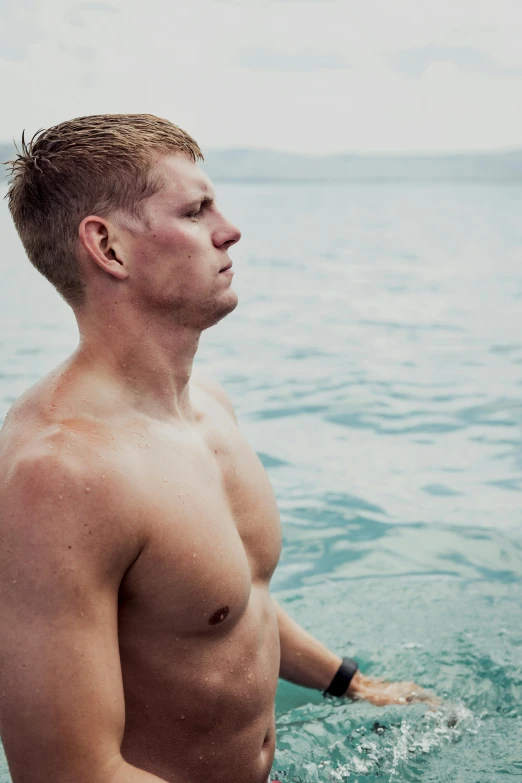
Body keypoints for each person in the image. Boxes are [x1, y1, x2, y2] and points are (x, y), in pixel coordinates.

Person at [0, 114, 432, 783]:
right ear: (108, 247)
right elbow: (68, 772)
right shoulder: (60, 473)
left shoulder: (206, 405)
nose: (229, 229)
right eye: (196, 209)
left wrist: (352, 682)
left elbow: (226, 599)